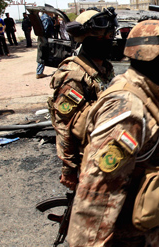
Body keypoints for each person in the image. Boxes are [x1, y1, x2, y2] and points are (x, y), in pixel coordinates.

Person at [67, 17, 159, 247]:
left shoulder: (145, 89)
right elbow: (98, 186)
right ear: (149, 56)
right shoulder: (128, 110)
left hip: (152, 215)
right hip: (132, 232)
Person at [48, 8, 117, 190]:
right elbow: (64, 125)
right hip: (87, 157)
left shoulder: (105, 68)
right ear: (87, 40)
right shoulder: (74, 75)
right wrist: (69, 169)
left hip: (107, 151)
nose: (109, 42)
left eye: (110, 37)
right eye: (103, 38)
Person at [36, 9, 54, 79]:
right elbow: (45, 30)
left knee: (42, 55)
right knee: (42, 55)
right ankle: (39, 72)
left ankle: (39, 72)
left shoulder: (43, 17)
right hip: (45, 39)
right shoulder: (46, 18)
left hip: (42, 39)